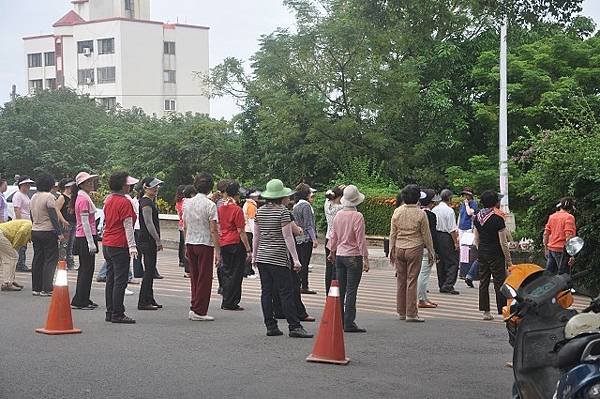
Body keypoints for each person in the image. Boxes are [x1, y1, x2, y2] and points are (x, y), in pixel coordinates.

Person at [253, 179, 313, 338]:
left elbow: (256, 236)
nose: (289, 198)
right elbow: (288, 237)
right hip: (278, 258)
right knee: (286, 292)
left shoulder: (260, 211)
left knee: (266, 292)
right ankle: (294, 326)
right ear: (281, 197)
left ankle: (270, 326)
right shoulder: (282, 212)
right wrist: (296, 259)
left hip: (262, 257)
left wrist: (254, 255)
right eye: (286, 196)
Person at [389, 185, 435, 323]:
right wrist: (432, 251)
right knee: (412, 280)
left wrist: (391, 250)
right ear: (417, 198)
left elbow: (393, 233)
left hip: (399, 248)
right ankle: (411, 313)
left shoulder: (397, 211)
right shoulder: (421, 213)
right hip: (415, 247)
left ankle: (401, 311)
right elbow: (426, 235)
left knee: (401, 280)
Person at [327, 185, 369, 332]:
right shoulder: (358, 217)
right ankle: (349, 322)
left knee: (341, 290)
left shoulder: (338, 215)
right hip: (353, 256)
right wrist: (365, 258)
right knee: (351, 290)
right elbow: (360, 240)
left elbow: (333, 236)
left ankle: (339, 319)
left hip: (339, 255)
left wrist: (331, 252)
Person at [102, 171, 139, 324]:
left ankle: (110, 311)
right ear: (123, 186)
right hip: (119, 244)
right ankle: (118, 313)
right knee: (120, 280)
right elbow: (128, 225)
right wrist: (132, 246)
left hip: (107, 243)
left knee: (110, 279)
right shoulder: (124, 202)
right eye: (128, 184)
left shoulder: (108, 200)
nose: (130, 187)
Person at [184, 173, 221, 321]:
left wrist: (185, 244)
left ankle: (194, 306)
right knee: (205, 278)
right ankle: (199, 310)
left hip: (191, 241)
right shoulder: (210, 205)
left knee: (195, 276)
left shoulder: (187, 203)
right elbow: (213, 229)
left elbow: (185, 225)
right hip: (205, 243)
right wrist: (218, 251)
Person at [473, 190, 512, 321]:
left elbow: (476, 238)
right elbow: (503, 242)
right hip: (496, 254)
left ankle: (486, 311)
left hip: (482, 253)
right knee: (499, 282)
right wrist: (509, 260)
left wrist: (481, 250)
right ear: (496, 202)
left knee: (483, 281)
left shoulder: (477, 217)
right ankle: (502, 310)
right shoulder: (497, 219)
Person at [218, 181, 252, 311]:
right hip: (236, 243)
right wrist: (248, 249)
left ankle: (225, 299)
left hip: (224, 241)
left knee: (226, 271)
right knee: (236, 273)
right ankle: (231, 301)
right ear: (236, 195)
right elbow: (241, 231)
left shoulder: (221, 208)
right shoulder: (237, 210)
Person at [70, 172, 100, 310]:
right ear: (81, 185)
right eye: (88, 182)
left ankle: (83, 298)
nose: (91, 184)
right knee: (86, 270)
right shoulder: (83, 199)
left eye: (91, 181)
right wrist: (91, 242)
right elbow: (85, 223)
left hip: (85, 236)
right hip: (85, 237)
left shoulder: (83, 197)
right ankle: (80, 301)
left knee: (86, 269)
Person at [30, 173, 64, 296]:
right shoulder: (49, 196)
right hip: (48, 231)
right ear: (49, 184)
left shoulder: (34, 197)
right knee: (50, 259)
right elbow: (53, 216)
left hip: (35, 230)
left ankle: (36, 287)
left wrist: (33, 226)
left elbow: (31, 215)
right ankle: (47, 288)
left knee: (38, 258)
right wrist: (59, 232)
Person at [137, 177, 164, 311]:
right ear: (146, 187)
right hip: (147, 240)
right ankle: (143, 300)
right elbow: (148, 223)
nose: (156, 188)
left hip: (148, 239)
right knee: (148, 270)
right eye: (154, 186)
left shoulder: (149, 201)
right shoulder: (146, 202)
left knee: (151, 269)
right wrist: (157, 240)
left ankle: (149, 297)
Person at [432, 189, 460, 295]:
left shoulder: (435, 209)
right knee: (453, 262)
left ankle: (442, 283)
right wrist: (456, 243)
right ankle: (448, 285)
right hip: (446, 237)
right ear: (449, 198)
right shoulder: (449, 211)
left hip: (437, 236)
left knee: (441, 261)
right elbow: (452, 229)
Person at [292, 183, 318, 294]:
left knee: (300, 262)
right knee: (305, 263)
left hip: (298, 237)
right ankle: (304, 286)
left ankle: (298, 284)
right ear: (306, 194)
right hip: (306, 238)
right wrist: (314, 239)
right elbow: (309, 225)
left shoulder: (296, 206)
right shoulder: (306, 206)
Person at [417, 189, 440, 309]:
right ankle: (421, 299)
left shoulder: (416, 213)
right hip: (426, 248)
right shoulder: (430, 215)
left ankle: (423, 297)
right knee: (424, 275)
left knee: (417, 273)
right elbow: (432, 235)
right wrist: (434, 251)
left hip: (415, 247)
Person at [543, 198, 577, 275]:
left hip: (551, 249)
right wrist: (571, 255)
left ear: (560, 206)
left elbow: (546, 234)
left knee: (548, 276)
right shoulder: (569, 217)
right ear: (571, 208)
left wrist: (546, 248)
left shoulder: (552, 217)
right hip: (562, 251)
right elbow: (569, 237)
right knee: (563, 277)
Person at [0, 219, 32, 291]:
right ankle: (7, 283)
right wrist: (15, 247)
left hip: (2, 234)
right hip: (1, 234)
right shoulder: (29, 226)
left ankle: (10, 280)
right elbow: (20, 234)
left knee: (7, 258)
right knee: (12, 257)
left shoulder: (28, 223)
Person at [324, 185, 344, 294]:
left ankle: (329, 294)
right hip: (337, 240)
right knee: (337, 270)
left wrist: (336, 188)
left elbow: (328, 195)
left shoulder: (327, 205)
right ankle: (335, 295)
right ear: (339, 197)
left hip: (328, 238)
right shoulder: (341, 208)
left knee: (329, 269)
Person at [13, 176, 34, 272]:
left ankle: (21, 263)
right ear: (21, 185)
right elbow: (17, 209)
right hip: (21, 223)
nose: (28, 186)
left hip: (27, 222)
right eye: (26, 184)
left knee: (24, 245)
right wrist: (20, 223)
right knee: (21, 245)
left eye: (29, 184)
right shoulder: (18, 195)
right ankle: (20, 264)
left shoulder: (25, 195)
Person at [55, 178, 77, 270]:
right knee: (64, 244)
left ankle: (70, 263)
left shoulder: (72, 197)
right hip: (65, 223)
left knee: (71, 244)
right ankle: (61, 263)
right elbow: (57, 209)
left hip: (73, 222)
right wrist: (63, 220)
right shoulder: (62, 197)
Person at [458, 188, 478, 279]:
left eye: (467, 195)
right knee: (462, 250)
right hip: (461, 228)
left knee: (466, 250)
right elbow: (460, 215)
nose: (465, 197)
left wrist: (466, 204)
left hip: (468, 228)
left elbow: (470, 213)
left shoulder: (473, 204)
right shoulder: (462, 204)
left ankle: (465, 271)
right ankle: (462, 270)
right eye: (464, 195)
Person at [242, 190, 260, 279]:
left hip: (246, 230)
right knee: (249, 252)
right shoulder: (251, 206)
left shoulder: (247, 204)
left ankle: (249, 271)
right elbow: (252, 221)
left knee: (248, 252)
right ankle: (247, 272)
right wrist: (256, 233)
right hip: (249, 231)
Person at [175, 185, 188, 275]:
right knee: (184, 243)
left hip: (180, 223)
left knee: (181, 243)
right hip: (184, 223)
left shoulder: (177, 202)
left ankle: (181, 260)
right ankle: (184, 259)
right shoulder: (184, 201)